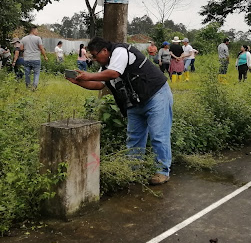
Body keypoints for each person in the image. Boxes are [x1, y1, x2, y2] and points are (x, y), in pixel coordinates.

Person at [67, 37, 173, 185]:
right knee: (134, 137)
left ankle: (162, 171)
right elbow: (99, 84)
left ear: (105, 50)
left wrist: (88, 75)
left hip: (156, 95)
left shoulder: (120, 51)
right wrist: (79, 82)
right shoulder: (106, 66)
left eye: (95, 55)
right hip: (135, 102)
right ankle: (133, 170)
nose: (95, 60)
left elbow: (114, 73)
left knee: (158, 135)